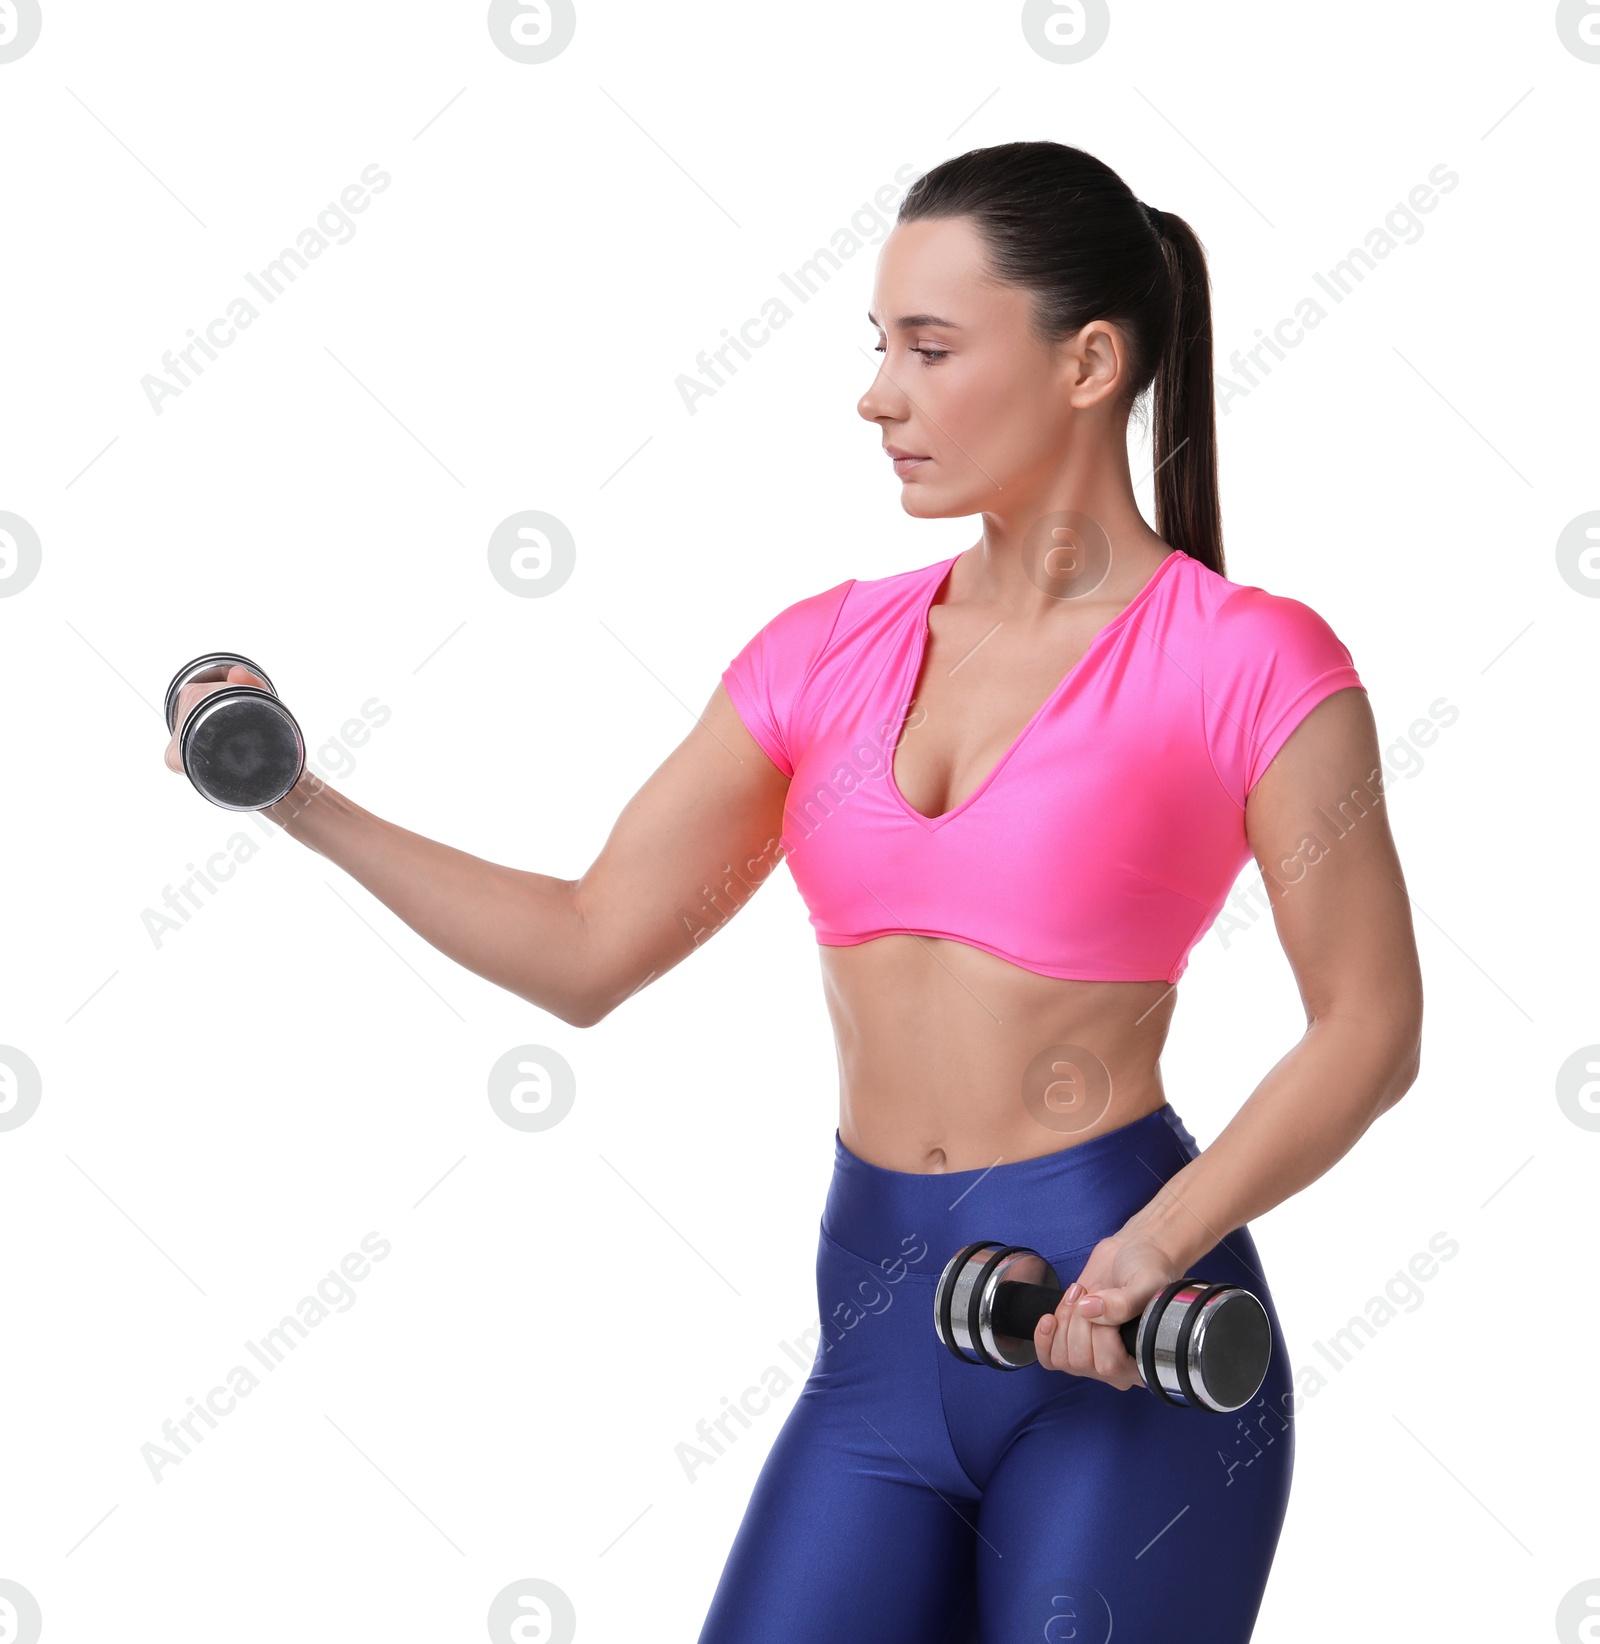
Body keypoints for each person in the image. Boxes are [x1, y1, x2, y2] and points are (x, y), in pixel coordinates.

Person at [164, 141, 1423, 1643]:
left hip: (1125, 1339)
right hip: (882, 1343)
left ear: (1089, 362)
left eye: (931, 349)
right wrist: (297, 799)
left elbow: (1369, 1027)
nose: (877, 393)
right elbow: (587, 947)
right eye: (879, 346)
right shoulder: (823, 653)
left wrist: (1155, 1245)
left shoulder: (1247, 660)